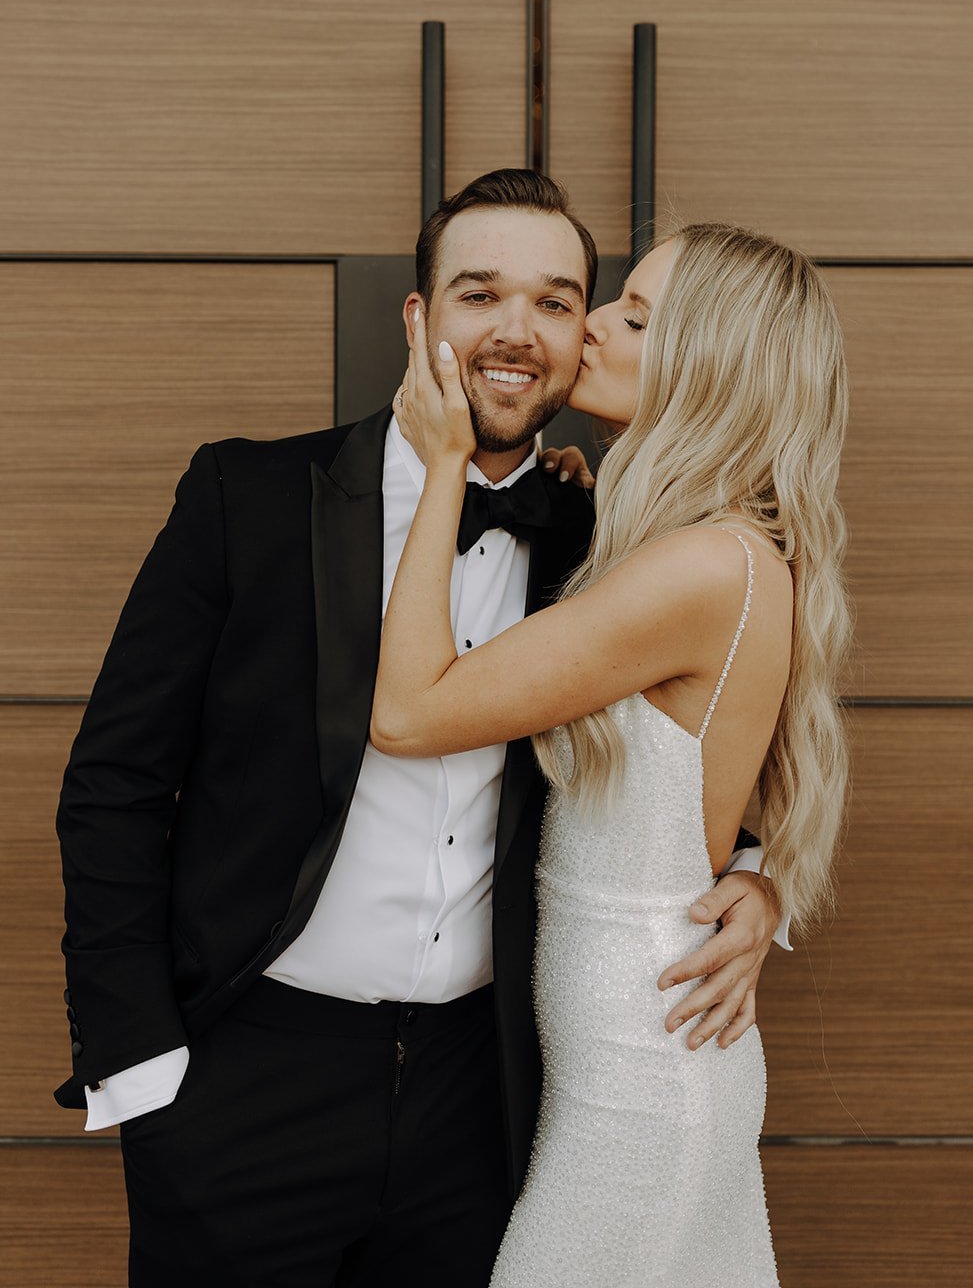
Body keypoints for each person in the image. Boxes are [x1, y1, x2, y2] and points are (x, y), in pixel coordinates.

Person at [54, 170, 787, 1288]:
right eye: (478, 293)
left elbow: (716, 722)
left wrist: (752, 871)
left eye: (554, 301)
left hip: (486, 1095)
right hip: (245, 1078)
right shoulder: (246, 497)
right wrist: (140, 1065)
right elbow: (113, 783)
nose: (515, 331)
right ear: (418, 316)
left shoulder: (607, 540)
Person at [371, 217, 852, 1286]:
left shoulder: (699, 568)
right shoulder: (688, 546)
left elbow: (408, 710)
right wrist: (754, 876)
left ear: (705, 368)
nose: (586, 325)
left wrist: (447, 458)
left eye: (631, 315)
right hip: (622, 1063)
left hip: (644, 1076)